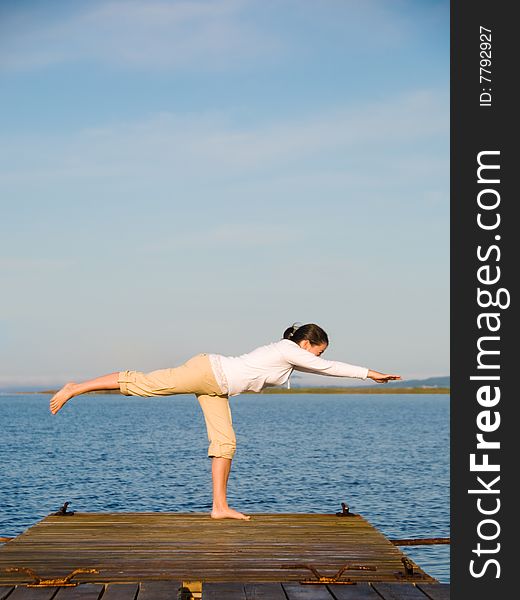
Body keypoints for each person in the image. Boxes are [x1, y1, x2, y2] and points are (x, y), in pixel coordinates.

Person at [49, 323, 401, 520]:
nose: (319, 358)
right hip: (207, 372)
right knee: (143, 385)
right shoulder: (288, 348)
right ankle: (77, 387)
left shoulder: (288, 355)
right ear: (307, 343)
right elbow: (331, 368)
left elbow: (323, 364)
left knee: (225, 442)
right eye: (318, 351)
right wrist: (370, 374)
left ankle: (219, 506)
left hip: (217, 387)